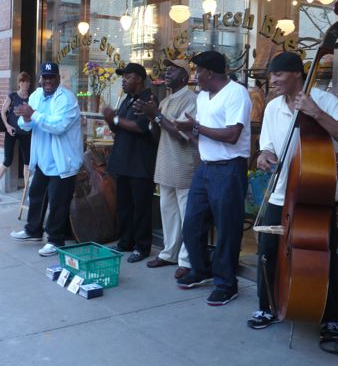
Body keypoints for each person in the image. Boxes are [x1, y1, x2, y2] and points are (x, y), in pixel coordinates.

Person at [247, 51, 338, 338]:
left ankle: (330, 317)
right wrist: (264, 155)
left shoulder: (325, 101)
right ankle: (267, 306)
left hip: (320, 192)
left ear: (297, 75)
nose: (272, 80)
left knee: (328, 255)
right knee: (268, 252)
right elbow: (268, 146)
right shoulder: (273, 107)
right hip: (280, 194)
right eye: (271, 75)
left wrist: (316, 113)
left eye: (278, 74)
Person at [175, 50, 252, 306]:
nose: (194, 76)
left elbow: (232, 135)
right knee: (192, 224)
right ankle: (201, 269)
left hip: (229, 168)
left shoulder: (236, 93)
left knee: (227, 229)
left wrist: (196, 127)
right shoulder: (203, 98)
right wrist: (188, 130)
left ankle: (227, 283)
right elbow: (203, 134)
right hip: (206, 167)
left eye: (197, 71)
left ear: (209, 72)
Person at [133, 58, 200, 279]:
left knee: (186, 215)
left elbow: (180, 133)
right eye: (167, 68)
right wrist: (152, 117)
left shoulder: (192, 100)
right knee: (168, 212)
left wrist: (156, 115)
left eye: (173, 70)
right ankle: (169, 253)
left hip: (183, 164)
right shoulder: (165, 99)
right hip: (165, 162)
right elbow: (157, 134)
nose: (168, 72)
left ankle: (186, 260)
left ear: (184, 76)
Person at [10, 62, 83, 256]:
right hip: (43, 160)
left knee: (58, 202)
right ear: (40, 79)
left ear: (58, 79)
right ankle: (33, 230)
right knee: (36, 195)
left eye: (52, 77)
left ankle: (56, 240)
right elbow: (24, 126)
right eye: (45, 77)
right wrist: (26, 119)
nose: (48, 81)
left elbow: (58, 126)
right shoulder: (35, 96)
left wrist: (32, 115)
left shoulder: (67, 99)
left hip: (62, 162)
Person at [103, 63, 157, 263]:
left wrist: (115, 119)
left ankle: (142, 246)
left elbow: (140, 127)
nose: (123, 81)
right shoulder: (127, 99)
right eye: (122, 77)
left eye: (128, 77)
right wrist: (110, 120)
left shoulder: (148, 100)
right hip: (123, 162)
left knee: (141, 208)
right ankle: (125, 241)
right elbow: (119, 128)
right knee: (124, 205)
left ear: (140, 79)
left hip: (140, 164)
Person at [0, 71, 32, 187]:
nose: (25, 84)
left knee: (27, 162)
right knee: (7, 161)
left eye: (27, 82)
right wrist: (7, 126)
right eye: (22, 81)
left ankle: (26, 193)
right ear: (19, 83)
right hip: (11, 132)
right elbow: (3, 112)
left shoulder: (32, 98)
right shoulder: (12, 96)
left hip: (26, 133)